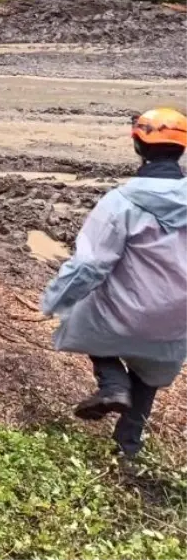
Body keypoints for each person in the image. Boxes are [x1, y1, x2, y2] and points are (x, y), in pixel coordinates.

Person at [40, 108, 187, 458]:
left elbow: (90, 265)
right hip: (178, 318)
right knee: (150, 373)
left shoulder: (120, 203)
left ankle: (112, 383)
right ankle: (127, 449)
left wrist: (54, 300)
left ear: (137, 145)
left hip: (123, 314)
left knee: (80, 315)